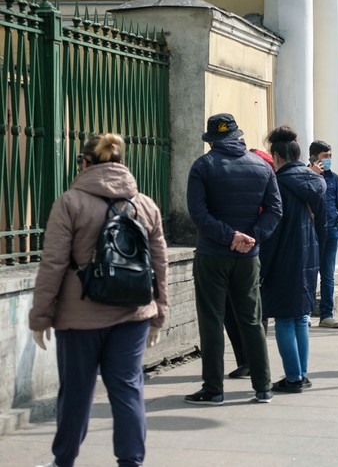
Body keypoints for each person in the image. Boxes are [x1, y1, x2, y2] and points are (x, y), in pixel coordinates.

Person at [29, 133, 169, 467]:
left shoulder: (70, 202)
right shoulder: (145, 204)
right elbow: (159, 263)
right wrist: (159, 315)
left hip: (79, 317)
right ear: (121, 162)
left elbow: (54, 263)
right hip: (133, 313)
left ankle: (63, 460)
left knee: (76, 393)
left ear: (85, 163)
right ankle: (131, 461)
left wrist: (41, 316)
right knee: (127, 390)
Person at [186, 113, 281, 405]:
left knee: (212, 321)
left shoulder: (203, 167)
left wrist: (230, 236)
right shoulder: (262, 167)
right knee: (251, 319)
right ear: (238, 136)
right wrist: (251, 237)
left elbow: (199, 214)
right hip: (248, 257)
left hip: (213, 255)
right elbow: (276, 210)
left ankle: (213, 389)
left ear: (212, 141)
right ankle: (262, 386)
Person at [261, 126, 327, 393]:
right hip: (308, 255)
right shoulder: (317, 182)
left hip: (284, 259)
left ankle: (293, 377)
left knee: (286, 320)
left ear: (276, 157)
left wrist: (263, 267)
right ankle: (302, 373)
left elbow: (273, 230)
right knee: (300, 318)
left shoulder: (277, 184)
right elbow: (322, 225)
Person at [225, 148, 276, 379]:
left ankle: (248, 361)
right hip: (256, 245)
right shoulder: (266, 171)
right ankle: (253, 361)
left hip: (243, 247)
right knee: (254, 308)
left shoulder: (252, 171)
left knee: (237, 309)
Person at [309, 140, 338, 328]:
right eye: (326, 156)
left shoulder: (334, 178)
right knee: (310, 273)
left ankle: (326, 315)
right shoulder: (305, 176)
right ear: (314, 158)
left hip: (331, 231)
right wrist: (312, 175)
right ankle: (306, 313)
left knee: (328, 275)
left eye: (331, 156)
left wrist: (337, 225)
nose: (329, 159)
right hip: (312, 233)